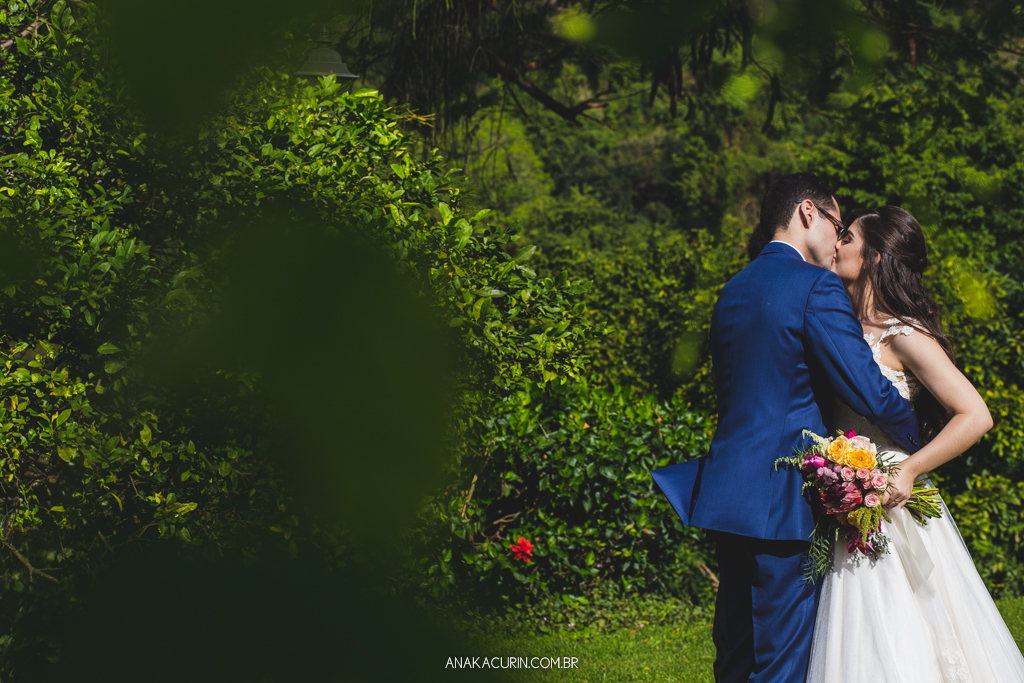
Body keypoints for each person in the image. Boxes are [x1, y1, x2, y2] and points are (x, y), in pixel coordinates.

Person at [652, 173, 920, 682]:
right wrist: (916, 439)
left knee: (735, 655)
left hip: (727, 496)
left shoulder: (734, 288)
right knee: (781, 662)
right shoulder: (814, 285)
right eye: (837, 225)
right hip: (784, 503)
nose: (838, 243)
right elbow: (866, 387)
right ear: (807, 213)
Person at [806, 205, 1024, 682]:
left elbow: (976, 415)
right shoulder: (833, 323)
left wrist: (907, 470)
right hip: (841, 497)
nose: (837, 243)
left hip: (891, 500)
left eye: (848, 237)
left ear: (876, 257)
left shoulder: (903, 334)